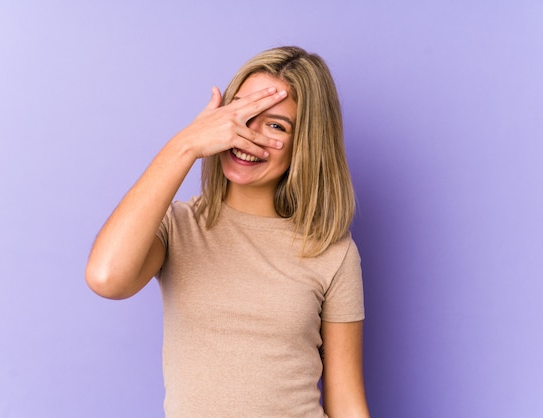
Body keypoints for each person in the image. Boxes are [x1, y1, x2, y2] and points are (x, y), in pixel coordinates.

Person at [85, 45, 369, 417]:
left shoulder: (332, 251)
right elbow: (107, 278)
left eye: (276, 125)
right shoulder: (177, 227)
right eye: (242, 113)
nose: (248, 135)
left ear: (305, 144)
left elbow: (346, 398)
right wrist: (185, 144)